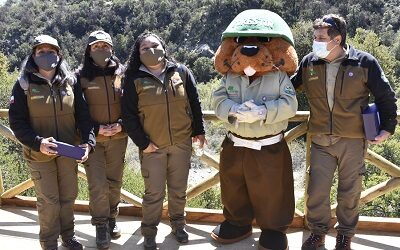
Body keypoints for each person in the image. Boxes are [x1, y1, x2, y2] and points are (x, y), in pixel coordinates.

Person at [291, 14, 398, 250]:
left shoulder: (364, 62)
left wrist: (388, 128)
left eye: (320, 37)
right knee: (316, 191)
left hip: (353, 140)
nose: (315, 41)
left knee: (349, 193)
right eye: (314, 36)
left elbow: (386, 96)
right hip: (320, 139)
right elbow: (289, 88)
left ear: (336, 39)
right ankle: (318, 233)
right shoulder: (310, 62)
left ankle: (344, 236)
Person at [8, 35, 95, 250]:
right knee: (48, 201)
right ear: (33, 56)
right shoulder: (24, 85)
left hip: (68, 153)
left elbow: (84, 116)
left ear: (59, 55)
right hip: (39, 154)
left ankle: (68, 236)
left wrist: (88, 143)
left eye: (51, 51)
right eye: (41, 52)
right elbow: (17, 123)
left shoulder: (70, 82)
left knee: (68, 197)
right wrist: (38, 143)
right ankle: (48, 243)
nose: (46, 56)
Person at [122, 32, 206, 250]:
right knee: (153, 193)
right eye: (145, 48)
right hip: (152, 147)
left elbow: (194, 102)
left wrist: (200, 130)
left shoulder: (181, 72)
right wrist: (143, 143)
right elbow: (129, 116)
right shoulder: (133, 79)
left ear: (164, 47)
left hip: (181, 143)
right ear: (137, 53)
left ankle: (178, 225)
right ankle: (149, 231)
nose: (151, 51)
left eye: (155, 45)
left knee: (178, 190)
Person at [76, 30, 128, 249]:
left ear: (112, 49)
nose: (100, 50)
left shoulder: (124, 74)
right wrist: (96, 130)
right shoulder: (79, 77)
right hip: (92, 140)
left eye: (104, 46)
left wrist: (121, 125)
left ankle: (112, 218)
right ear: (89, 50)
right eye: (96, 47)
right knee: (98, 185)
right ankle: (100, 225)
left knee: (114, 182)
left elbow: (134, 106)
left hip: (119, 137)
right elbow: (77, 111)